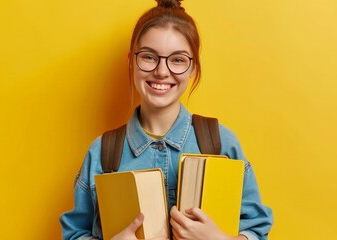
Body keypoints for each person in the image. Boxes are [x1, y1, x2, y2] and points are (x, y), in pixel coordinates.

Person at [60, 0, 273, 239]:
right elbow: (74, 233)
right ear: (131, 60)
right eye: (149, 57)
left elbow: (256, 228)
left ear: (193, 67)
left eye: (178, 60)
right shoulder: (101, 153)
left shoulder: (221, 143)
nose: (162, 71)